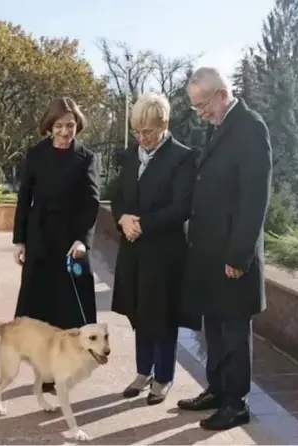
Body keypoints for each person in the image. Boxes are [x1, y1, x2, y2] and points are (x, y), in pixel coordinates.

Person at [177, 68, 272, 430]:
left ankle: (236, 402)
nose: (201, 113)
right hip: (209, 253)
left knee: (233, 330)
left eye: (203, 105)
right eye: (196, 107)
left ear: (221, 94)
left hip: (232, 255)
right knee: (213, 327)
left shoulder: (250, 127)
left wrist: (239, 255)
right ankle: (216, 390)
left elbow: (255, 197)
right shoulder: (220, 126)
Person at [110, 92, 200, 405]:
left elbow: (182, 207)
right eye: (138, 131)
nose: (142, 138)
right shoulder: (131, 155)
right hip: (133, 249)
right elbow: (117, 195)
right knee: (139, 311)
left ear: (164, 125)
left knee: (162, 317)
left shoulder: (182, 157)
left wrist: (142, 225)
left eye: (148, 131)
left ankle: (163, 377)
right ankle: (142, 371)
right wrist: (122, 218)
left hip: (163, 253)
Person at [12, 97, 100, 392]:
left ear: (78, 126)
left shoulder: (86, 158)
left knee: (69, 309)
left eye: (71, 126)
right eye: (59, 126)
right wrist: (20, 240)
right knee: (40, 308)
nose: (65, 132)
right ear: (49, 127)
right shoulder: (36, 155)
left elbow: (91, 204)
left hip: (70, 243)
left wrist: (83, 241)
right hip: (40, 240)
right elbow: (24, 199)